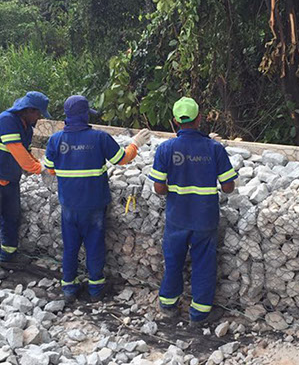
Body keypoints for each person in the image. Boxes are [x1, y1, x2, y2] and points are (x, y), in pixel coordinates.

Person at [44, 95, 150, 303]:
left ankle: (69, 289)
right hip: (94, 205)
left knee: (70, 247)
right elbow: (122, 159)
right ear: (85, 115)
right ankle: (95, 290)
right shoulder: (99, 138)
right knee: (94, 246)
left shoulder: (55, 140)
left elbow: (50, 169)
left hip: (69, 205)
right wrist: (135, 144)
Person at [148, 97, 237, 327]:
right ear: (199, 119)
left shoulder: (165, 149)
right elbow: (228, 187)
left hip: (177, 217)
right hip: (204, 218)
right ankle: (199, 314)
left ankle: (168, 306)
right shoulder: (214, 148)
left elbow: (158, 188)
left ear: (175, 121)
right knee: (204, 263)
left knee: (173, 260)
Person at [0, 91, 51, 280]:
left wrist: (40, 165)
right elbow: (18, 152)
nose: (39, 118)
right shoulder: (6, 120)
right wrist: (39, 169)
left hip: (10, 179)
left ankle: (8, 255)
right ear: (28, 110)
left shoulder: (27, 128)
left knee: (12, 217)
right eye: (38, 113)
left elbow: (27, 153)